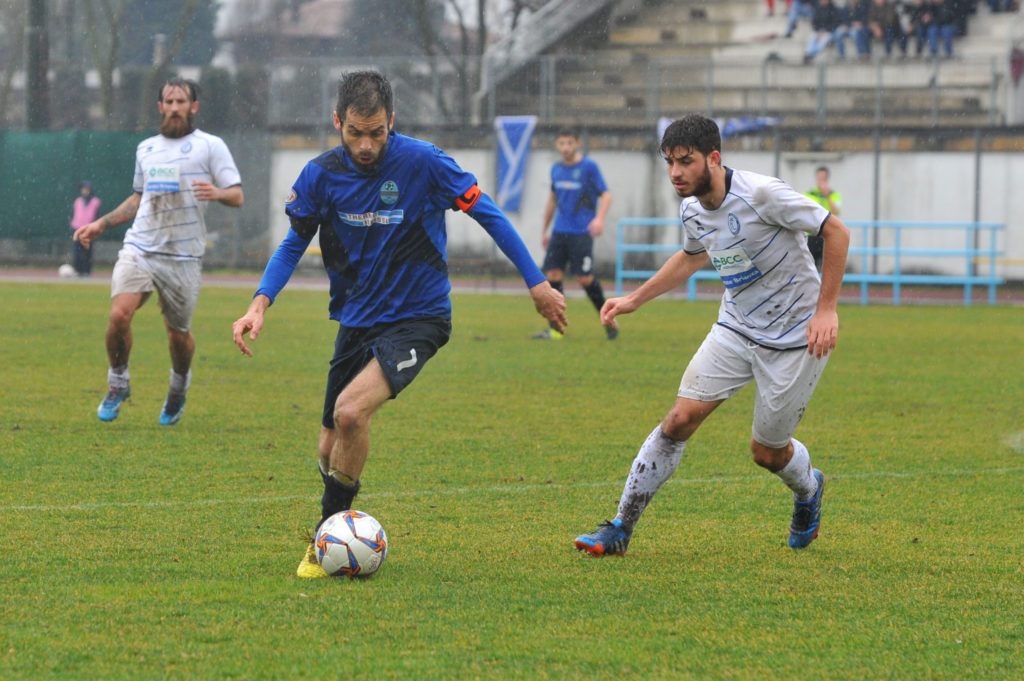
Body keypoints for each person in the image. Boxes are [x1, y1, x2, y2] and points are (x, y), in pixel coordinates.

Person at [230, 71, 567, 579]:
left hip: (419, 318)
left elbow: (489, 214)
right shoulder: (319, 175)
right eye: (355, 133)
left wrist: (537, 284)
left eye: (377, 133)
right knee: (326, 445)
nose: (366, 146)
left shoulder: (425, 163)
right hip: (356, 321)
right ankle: (338, 525)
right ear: (337, 121)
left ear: (393, 122)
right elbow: (294, 242)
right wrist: (260, 304)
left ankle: (326, 542)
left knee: (349, 414)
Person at [573, 113, 850, 557]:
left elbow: (835, 231)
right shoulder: (691, 209)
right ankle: (620, 526)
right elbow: (690, 258)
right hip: (735, 328)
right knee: (678, 421)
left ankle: (808, 490)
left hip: (796, 338)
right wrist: (634, 300)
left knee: (766, 452)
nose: (675, 173)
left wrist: (827, 309)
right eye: (669, 162)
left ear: (714, 158)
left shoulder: (762, 194)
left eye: (685, 161)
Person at [74, 77, 244, 426]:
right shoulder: (146, 149)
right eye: (169, 101)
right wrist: (101, 224)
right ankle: (118, 382)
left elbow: (237, 195)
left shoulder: (211, 146)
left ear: (193, 107)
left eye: (182, 101)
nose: (175, 107)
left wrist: (216, 192)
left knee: (177, 336)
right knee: (119, 315)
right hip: (141, 247)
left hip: (183, 257)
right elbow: (139, 198)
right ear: (160, 107)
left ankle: (178, 387)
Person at [532, 128, 616, 340]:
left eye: (570, 143)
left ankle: (609, 319)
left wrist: (599, 219)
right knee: (552, 276)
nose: (566, 148)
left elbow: (605, 194)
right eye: (562, 143)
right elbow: (552, 199)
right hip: (559, 231)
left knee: (585, 279)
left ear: (577, 144)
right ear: (557, 146)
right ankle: (555, 329)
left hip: (581, 232)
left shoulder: (588, 167)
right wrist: (544, 230)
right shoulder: (556, 169)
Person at [805, 166, 842, 270]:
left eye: (824, 178)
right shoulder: (809, 194)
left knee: (826, 265)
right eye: (820, 177)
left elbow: (836, 211)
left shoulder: (833, 195)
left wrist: (827, 195)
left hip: (826, 234)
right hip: (811, 234)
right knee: (809, 265)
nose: (822, 180)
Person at [70, 181, 101, 276]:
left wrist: (95, 228)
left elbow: (97, 215)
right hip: (77, 228)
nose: (84, 191)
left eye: (86, 189)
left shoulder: (96, 202)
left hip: (89, 229)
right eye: (83, 189)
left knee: (87, 251)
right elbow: (73, 213)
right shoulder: (78, 201)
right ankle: (78, 270)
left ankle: (87, 271)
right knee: (76, 252)